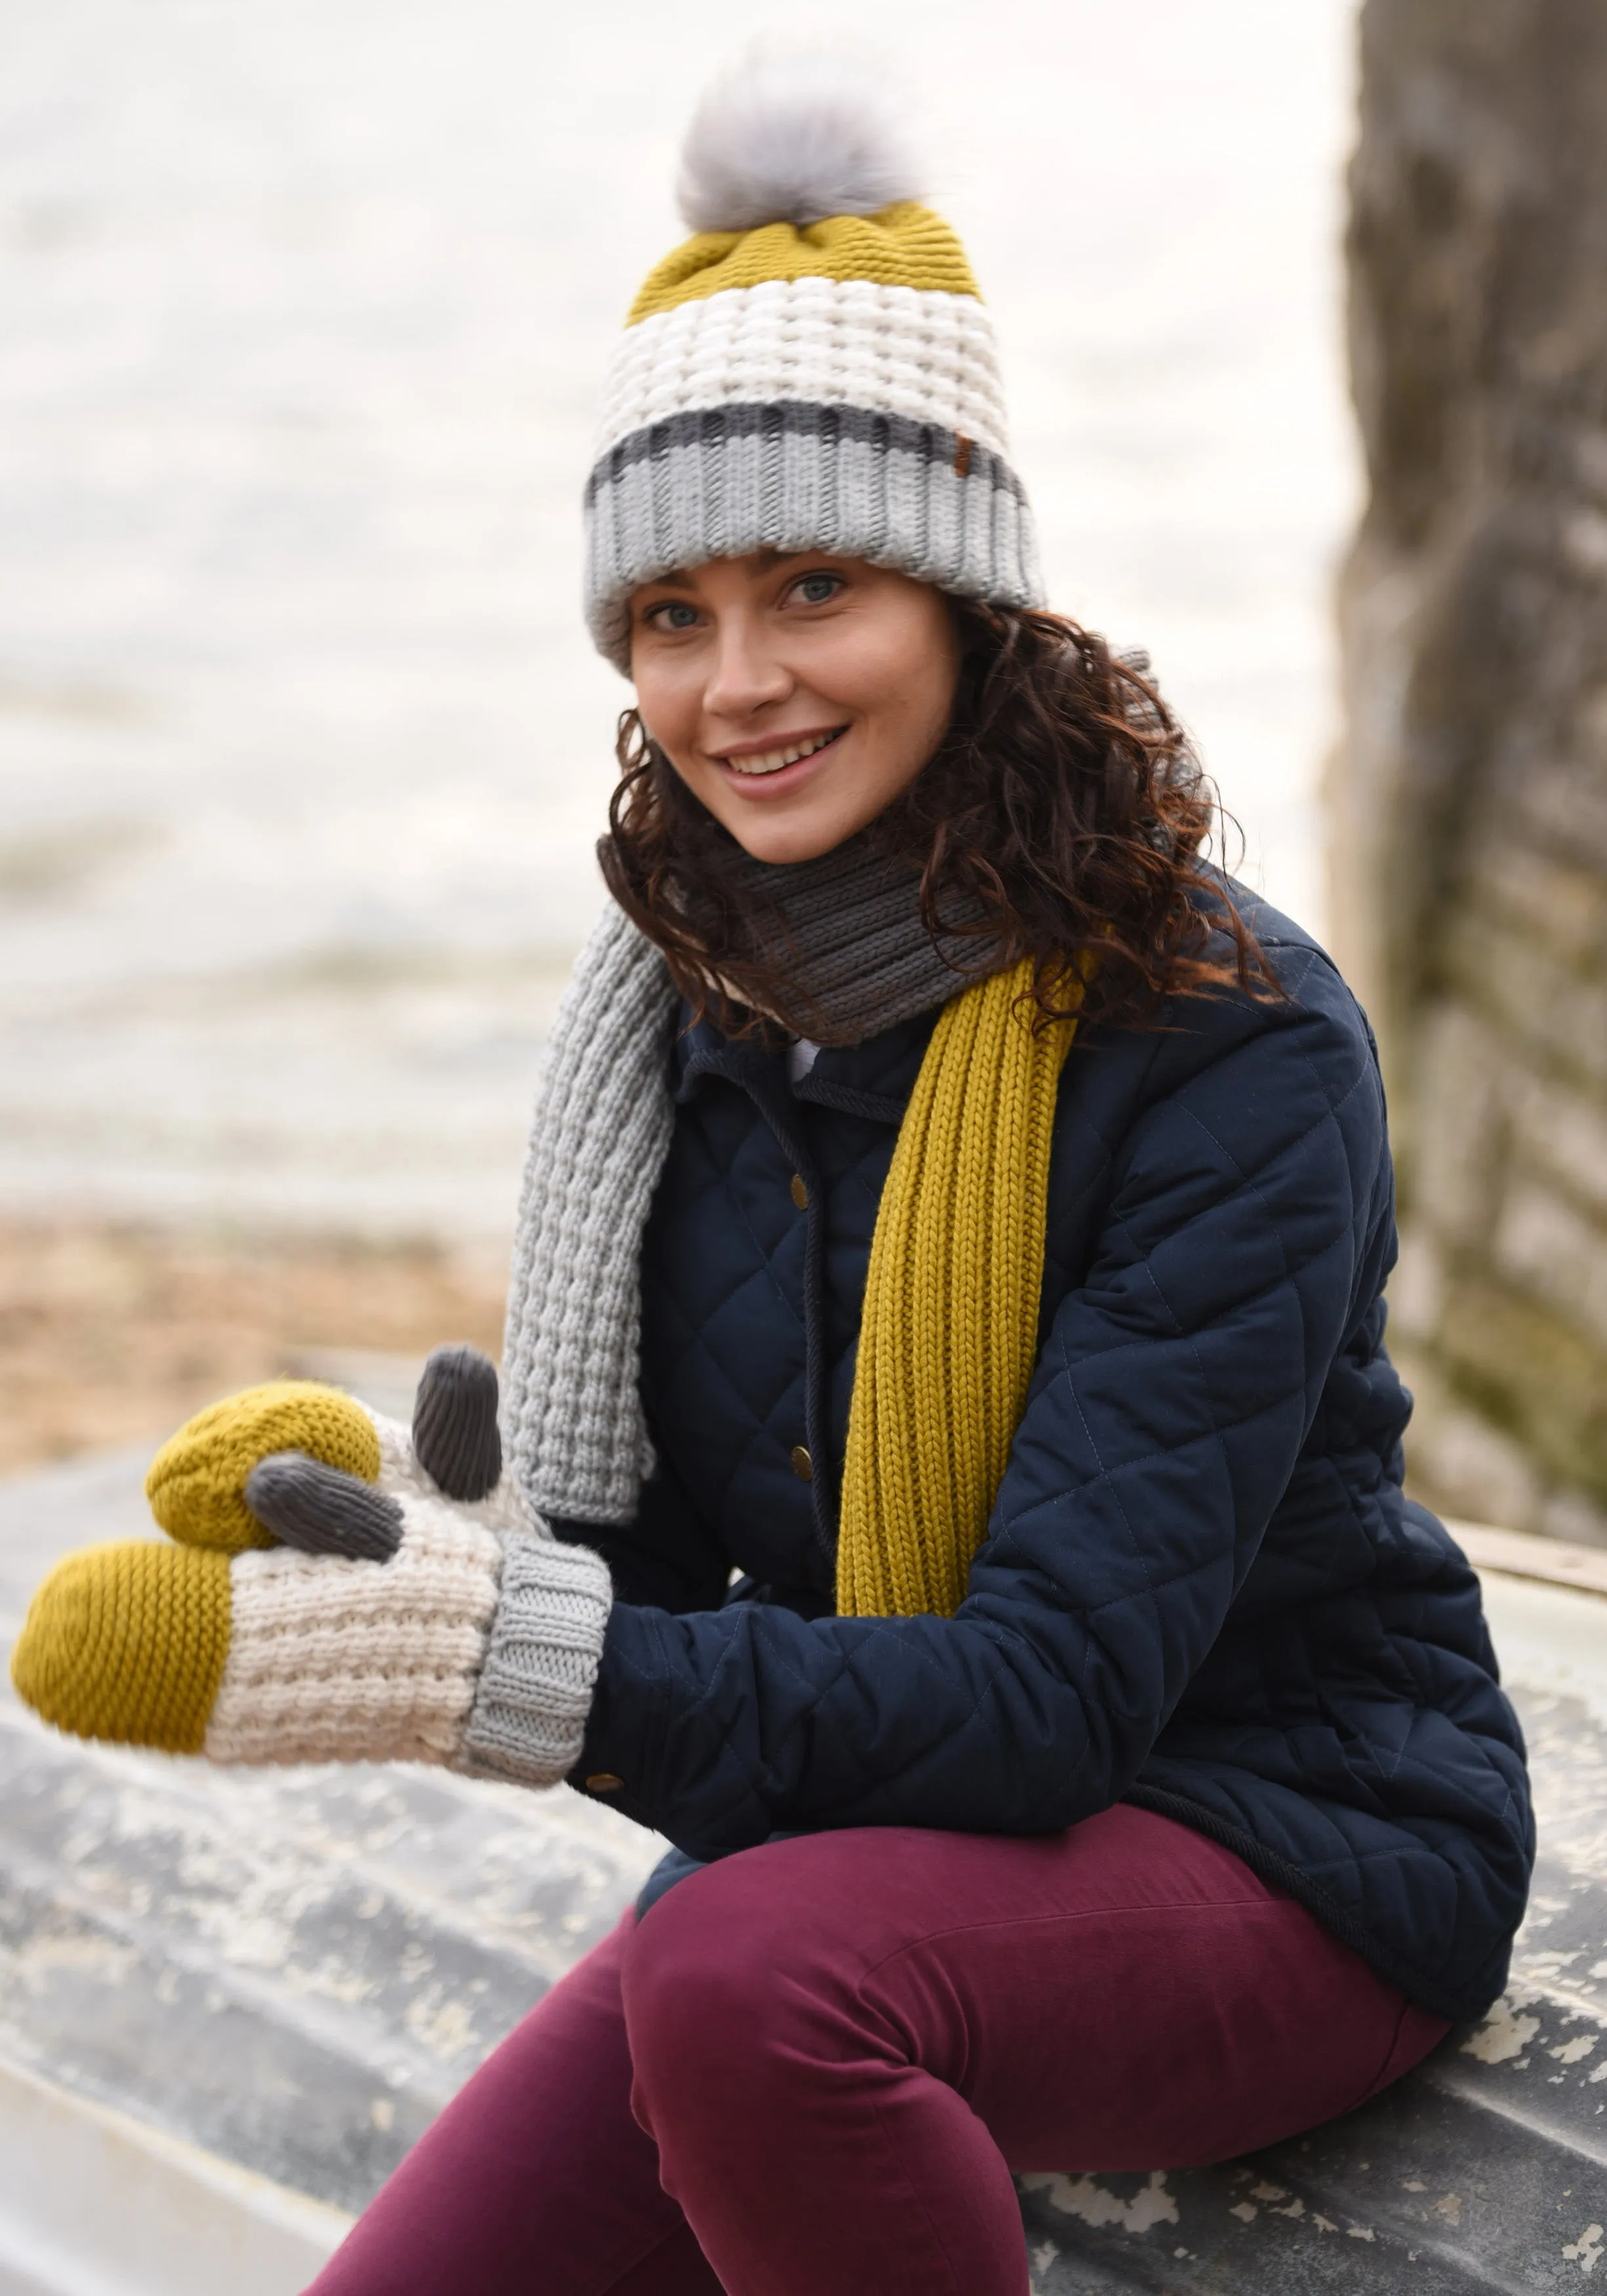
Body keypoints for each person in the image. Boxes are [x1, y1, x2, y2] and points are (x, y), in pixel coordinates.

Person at [12, 49, 1533, 2296]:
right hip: (867, 1854)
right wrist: (454, 1562)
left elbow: (1038, 1708)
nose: (739, 685)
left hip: (1287, 1832)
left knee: (747, 1987)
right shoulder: (685, 1020)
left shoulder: (1226, 1037)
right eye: (672, 616)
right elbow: (658, 1590)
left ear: (962, 595)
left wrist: (495, 1664)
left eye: (815, 584)